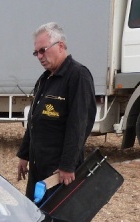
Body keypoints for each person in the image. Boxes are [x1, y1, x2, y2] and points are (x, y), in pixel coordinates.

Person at [17, 22, 96, 202]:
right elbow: (34, 121)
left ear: (60, 46)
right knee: (35, 215)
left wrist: (67, 166)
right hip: (38, 168)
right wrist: (24, 155)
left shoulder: (78, 76)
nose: (39, 56)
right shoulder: (45, 79)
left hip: (58, 172)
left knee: (57, 221)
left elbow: (79, 124)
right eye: (36, 52)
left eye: (43, 50)